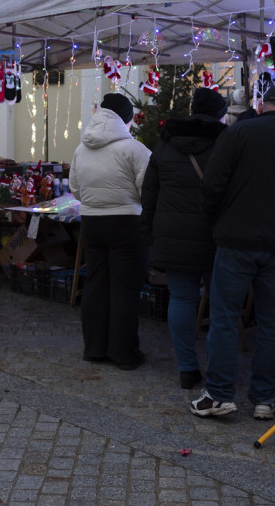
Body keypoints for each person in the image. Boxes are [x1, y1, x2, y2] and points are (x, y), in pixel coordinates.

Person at [191, 84, 275, 420]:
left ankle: (219, 394)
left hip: (235, 241)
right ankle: (264, 399)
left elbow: (212, 184)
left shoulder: (238, 133)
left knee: (225, 318)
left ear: (261, 105)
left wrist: (218, 222)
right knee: (272, 323)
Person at [141, 88, 228, 389]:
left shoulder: (165, 144)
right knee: (220, 305)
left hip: (173, 233)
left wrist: (149, 232)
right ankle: (219, 374)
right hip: (216, 235)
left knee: (181, 298)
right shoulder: (227, 142)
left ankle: (187, 369)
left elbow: (149, 192)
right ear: (220, 113)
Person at [70, 93, 151, 370]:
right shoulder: (135, 150)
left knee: (95, 285)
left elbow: (75, 189)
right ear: (127, 119)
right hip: (127, 224)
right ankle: (125, 354)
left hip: (92, 222)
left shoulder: (82, 148)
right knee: (124, 290)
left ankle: (94, 348)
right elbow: (148, 192)